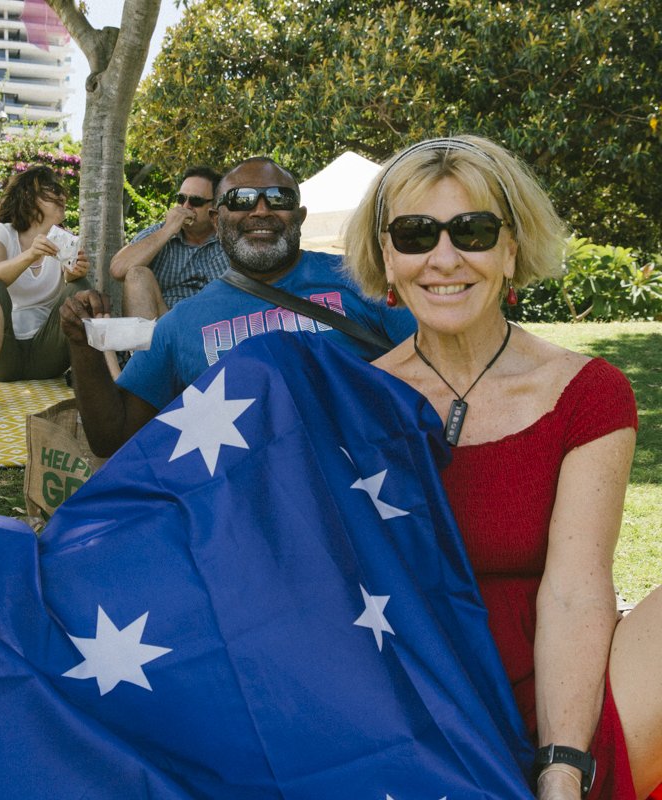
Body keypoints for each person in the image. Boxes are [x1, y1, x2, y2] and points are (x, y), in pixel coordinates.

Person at [344, 135, 661, 800]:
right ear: (385, 256)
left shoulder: (589, 391)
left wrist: (562, 765)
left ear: (511, 249)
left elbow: (576, 590)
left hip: (561, 691)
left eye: (474, 230)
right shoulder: (349, 404)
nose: (444, 258)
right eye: (415, 234)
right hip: (415, 706)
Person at [61, 155, 418, 457]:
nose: (261, 210)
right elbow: (111, 437)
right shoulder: (182, 323)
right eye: (242, 199)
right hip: (245, 509)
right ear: (217, 221)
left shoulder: (362, 280)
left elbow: (440, 366)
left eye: (278, 199)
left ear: (300, 215)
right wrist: (82, 345)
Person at [0, 165, 91, 393]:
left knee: (81, 288)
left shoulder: (66, 240)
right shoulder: (2, 233)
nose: (62, 196)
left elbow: (70, 293)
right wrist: (31, 254)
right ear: (28, 197)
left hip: (47, 355)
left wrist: (74, 275)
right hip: (1, 354)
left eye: (61, 190)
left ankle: (91, 379)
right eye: (52, 189)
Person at [109, 166, 229, 320]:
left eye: (196, 201)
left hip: (216, 327)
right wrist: (167, 230)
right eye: (181, 199)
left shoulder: (230, 238)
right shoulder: (161, 231)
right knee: (137, 274)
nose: (186, 206)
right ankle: (148, 345)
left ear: (215, 206)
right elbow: (118, 270)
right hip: (164, 325)